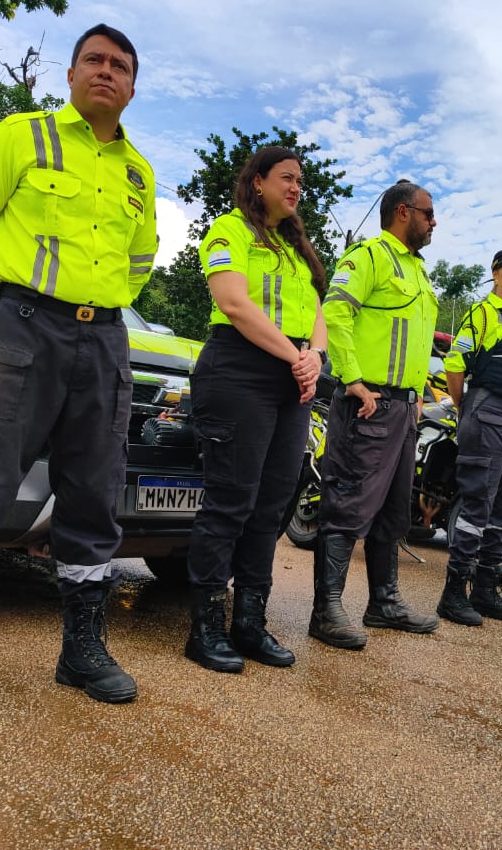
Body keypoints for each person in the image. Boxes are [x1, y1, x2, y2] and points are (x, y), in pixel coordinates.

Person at [0, 24, 156, 720]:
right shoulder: (24, 135)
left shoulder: (139, 173)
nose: (107, 72)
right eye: (95, 61)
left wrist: (93, 312)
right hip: (21, 332)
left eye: (121, 66)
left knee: (94, 494)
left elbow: (138, 264)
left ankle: (82, 649)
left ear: (133, 87)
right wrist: (8, 305)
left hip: (103, 341)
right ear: (72, 74)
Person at [183, 147, 327, 673]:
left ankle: (249, 623)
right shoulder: (229, 231)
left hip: (292, 378)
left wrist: (315, 355)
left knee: (271, 507)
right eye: (286, 178)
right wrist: (297, 358)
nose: (295, 188)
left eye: (300, 180)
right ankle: (204, 629)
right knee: (229, 504)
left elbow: (317, 310)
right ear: (258, 182)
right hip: (239, 369)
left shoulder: (295, 247)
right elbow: (234, 304)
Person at [309, 179, 440, 649]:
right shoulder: (368, 257)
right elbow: (335, 313)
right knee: (346, 506)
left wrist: (419, 389)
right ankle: (326, 610)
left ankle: (383, 602)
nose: (433, 221)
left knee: (391, 511)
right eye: (427, 213)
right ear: (403, 212)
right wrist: (352, 379)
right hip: (369, 403)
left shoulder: (419, 272)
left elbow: (410, 337)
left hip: (403, 408)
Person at [434, 248, 502, 627]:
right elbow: (454, 362)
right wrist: (465, 405)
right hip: (488, 408)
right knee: (478, 501)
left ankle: (485, 589)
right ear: (495, 273)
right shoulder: (482, 314)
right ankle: (453, 592)